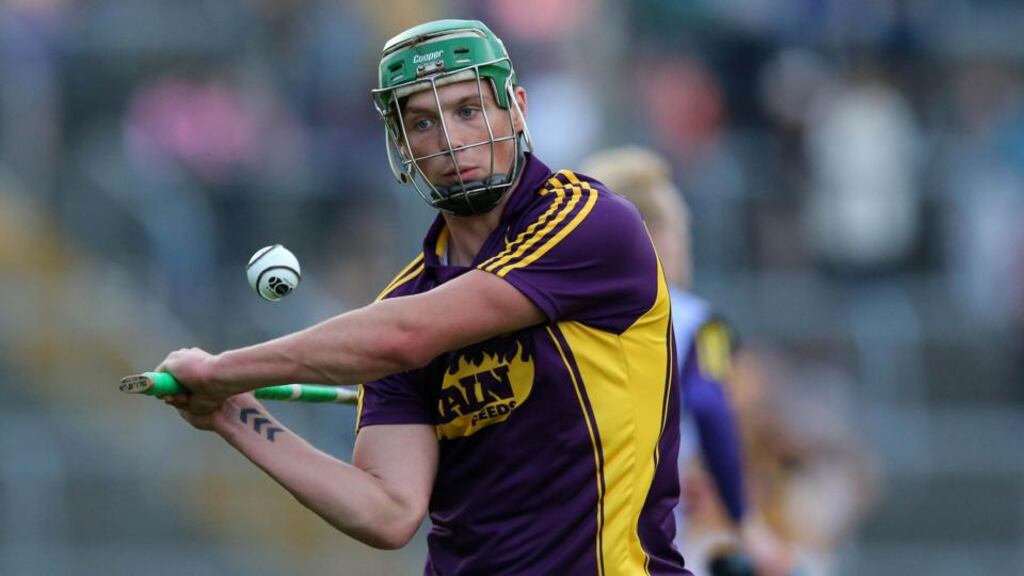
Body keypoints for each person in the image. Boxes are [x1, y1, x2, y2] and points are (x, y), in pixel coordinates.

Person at [156, 19, 691, 575]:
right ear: (401, 144)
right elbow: (388, 510)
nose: (450, 139)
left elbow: (404, 338)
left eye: (468, 109)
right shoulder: (401, 306)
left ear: (517, 108)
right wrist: (228, 413)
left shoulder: (589, 225)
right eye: (423, 122)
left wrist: (224, 369)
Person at [581, 147, 792, 576]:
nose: (685, 241)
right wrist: (745, 522)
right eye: (680, 228)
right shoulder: (696, 322)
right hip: (638, 545)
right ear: (651, 235)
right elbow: (710, 406)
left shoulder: (560, 319)